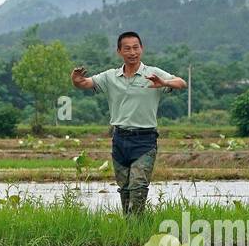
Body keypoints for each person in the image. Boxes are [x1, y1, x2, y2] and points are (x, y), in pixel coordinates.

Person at [71, 31, 186, 215]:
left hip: (145, 140)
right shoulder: (110, 77)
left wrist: (163, 82)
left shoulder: (153, 73)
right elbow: (85, 83)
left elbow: (181, 83)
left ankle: (136, 228)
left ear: (142, 49)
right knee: (124, 189)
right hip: (120, 139)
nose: (132, 52)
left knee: (138, 188)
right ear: (119, 51)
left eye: (136, 48)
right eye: (127, 49)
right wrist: (76, 80)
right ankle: (129, 230)